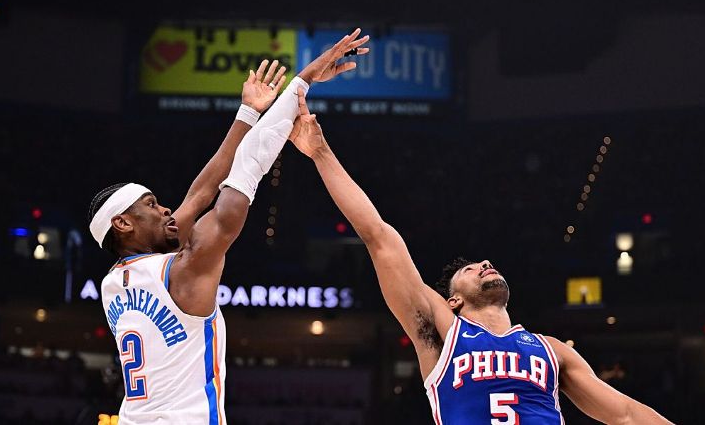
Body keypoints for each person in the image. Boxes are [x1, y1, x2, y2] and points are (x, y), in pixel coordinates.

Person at [288, 92, 674, 425]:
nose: (484, 265)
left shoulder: (552, 349)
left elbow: (625, 414)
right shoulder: (442, 331)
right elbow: (378, 237)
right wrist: (321, 152)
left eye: (484, 265)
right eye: (470, 270)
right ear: (453, 300)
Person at [88, 29, 369, 424]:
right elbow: (240, 181)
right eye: (151, 205)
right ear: (122, 223)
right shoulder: (184, 269)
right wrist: (301, 84)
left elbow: (199, 193)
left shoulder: (113, 284)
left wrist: (248, 113)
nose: (166, 208)